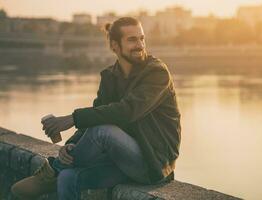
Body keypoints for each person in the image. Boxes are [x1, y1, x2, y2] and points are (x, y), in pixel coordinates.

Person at [11, 17, 181, 200]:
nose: (140, 44)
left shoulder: (156, 73)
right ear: (114, 45)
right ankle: (60, 173)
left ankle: (53, 170)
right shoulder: (110, 77)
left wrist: (72, 118)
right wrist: (71, 145)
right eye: (132, 39)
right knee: (68, 179)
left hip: (153, 164)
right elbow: (97, 115)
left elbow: (127, 111)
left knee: (102, 132)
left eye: (142, 38)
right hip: (119, 162)